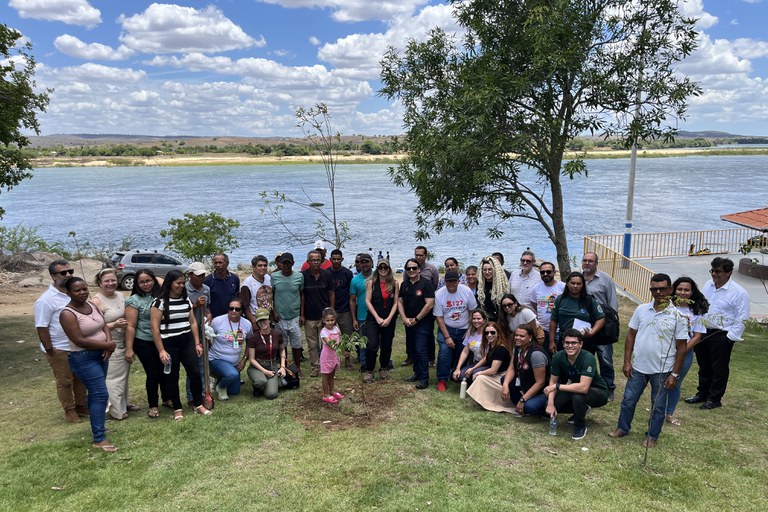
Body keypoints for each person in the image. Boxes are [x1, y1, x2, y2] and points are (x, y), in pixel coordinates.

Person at [608, 274, 688, 448]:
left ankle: (652, 436)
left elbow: (682, 347)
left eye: (662, 289)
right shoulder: (641, 310)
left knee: (658, 406)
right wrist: (627, 361)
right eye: (654, 289)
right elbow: (631, 335)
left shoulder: (678, 316)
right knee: (628, 400)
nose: (658, 292)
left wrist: (674, 373)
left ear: (670, 289)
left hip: (663, 370)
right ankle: (622, 428)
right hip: (638, 368)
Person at [59, 277, 117, 452]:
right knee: (100, 394)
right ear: (68, 293)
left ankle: (98, 426)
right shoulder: (67, 314)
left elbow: (104, 325)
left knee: (96, 394)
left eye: (84, 289)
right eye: (77, 290)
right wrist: (107, 345)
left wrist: (108, 343)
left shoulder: (91, 305)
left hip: (102, 354)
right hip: (83, 358)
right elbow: (79, 340)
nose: (82, 292)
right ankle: (99, 439)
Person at [686, 256, 750, 410]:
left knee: (719, 368)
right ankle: (702, 394)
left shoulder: (739, 293)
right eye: (712, 270)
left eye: (718, 271)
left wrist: (729, 338)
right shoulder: (708, 285)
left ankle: (714, 398)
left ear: (728, 273)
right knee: (704, 365)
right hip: (703, 331)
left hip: (721, 334)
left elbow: (742, 318)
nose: (714, 274)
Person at [151, 270, 211, 420]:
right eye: (178, 283)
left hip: (187, 341)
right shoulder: (159, 302)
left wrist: (197, 343)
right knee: (172, 376)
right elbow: (155, 328)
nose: (181, 286)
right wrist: (161, 351)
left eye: (183, 283)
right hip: (169, 343)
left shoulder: (186, 300)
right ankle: (177, 408)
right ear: (169, 283)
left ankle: (198, 404)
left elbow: (192, 323)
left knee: (195, 373)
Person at [35, 259, 88, 424]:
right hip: (59, 348)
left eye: (70, 271)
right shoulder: (46, 300)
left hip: (78, 346)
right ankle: (70, 411)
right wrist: (51, 350)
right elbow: (41, 327)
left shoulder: (74, 293)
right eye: (63, 273)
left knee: (80, 378)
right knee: (65, 381)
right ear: (53, 276)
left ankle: (81, 406)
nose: (68, 275)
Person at [544, 329, 609, 440]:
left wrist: (557, 386)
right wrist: (550, 403)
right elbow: (553, 381)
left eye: (574, 343)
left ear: (581, 344)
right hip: (574, 388)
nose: (570, 346)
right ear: (563, 343)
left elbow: (583, 388)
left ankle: (579, 426)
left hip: (598, 392)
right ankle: (581, 409)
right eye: (567, 343)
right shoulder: (558, 357)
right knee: (551, 404)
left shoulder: (588, 358)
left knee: (578, 396)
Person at [92, 268, 134, 421]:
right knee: (113, 378)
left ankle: (125, 403)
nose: (110, 283)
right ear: (99, 283)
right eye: (106, 281)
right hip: (110, 342)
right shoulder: (96, 301)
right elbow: (95, 327)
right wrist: (114, 324)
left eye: (113, 280)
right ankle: (117, 411)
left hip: (125, 341)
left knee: (124, 376)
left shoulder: (120, 295)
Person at [665, 277, 708, 425]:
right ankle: (658, 410)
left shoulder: (697, 311)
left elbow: (697, 336)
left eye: (686, 290)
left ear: (692, 292)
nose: (683, 292)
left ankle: (669, 413)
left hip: (685, 354)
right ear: (673, 290)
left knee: (675, 382)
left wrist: (682, 350)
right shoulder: (667, 307)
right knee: (661, 382)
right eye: (680, 289)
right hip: (664, 351)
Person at [125, 269, 167, 418]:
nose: (145, 284)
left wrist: (154, 278)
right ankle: (153, 405)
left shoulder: (161, 295)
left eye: (148, 280)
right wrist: (129, 348)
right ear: (136, 284)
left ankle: (166, 398)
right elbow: (130, 326)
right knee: (153, 373)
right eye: (141, 282)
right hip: (144, 341)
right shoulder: (134, 300)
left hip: (162, 340)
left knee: (165, 371)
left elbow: (165, 282)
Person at [582, 252, 620, 401]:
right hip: (584, 325)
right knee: (585, 358)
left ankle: (609, 387)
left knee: (605, 359)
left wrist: (610, 323)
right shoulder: (578, 279)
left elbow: (613, 304)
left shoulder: (605, 279)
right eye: (585, 260)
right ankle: (587, 384)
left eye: (590, 261)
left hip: (603, 325)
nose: (587, 263)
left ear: (596, 263)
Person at [434, 270, 477, 391]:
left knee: (461, 353)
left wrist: (469, 331)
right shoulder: (439, 294)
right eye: (448, 282)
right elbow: (439, 317)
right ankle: (442, 379)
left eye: (454, 281)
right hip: (447, 328)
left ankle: (458, 375)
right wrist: (447, 337)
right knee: (444, 352)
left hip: (464, 328)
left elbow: (472, 311)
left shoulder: (466, 291)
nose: (451, 284)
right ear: (445, 282)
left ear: (458, 281)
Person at [398, 258, 436, 390]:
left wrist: (417, 319)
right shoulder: (404, 284)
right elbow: (400, 302)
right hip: (408, 322)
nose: (412, 270)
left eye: (414, 268)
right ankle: (417, 373)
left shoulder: (426, 284)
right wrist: (404, 318)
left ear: (419, 269)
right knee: (412, 349)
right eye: (409, 269)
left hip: (422, 322)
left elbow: (429, 304)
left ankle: (424, 378)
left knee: (421, 349)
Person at [498, 325, 550, 416]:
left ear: (530, 337)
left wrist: (523, 399)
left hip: (542, 391)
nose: (518, 338)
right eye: (516, 335)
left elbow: (540, 382)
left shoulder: (536, 354)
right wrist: (505, 385)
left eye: (522, 336)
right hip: (526, 384)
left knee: (529, 407)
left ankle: (543, 410)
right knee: (504, 379)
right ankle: (520, 405)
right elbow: (511, 368)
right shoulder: (518, 348)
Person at [549, 271, 604, 354]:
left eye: (579, 284)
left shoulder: (590, 300)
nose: (575, 286)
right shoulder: (560, 299)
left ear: (583, 285)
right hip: (564, 341)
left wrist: (591, 333)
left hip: (584, 342)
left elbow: (601, 318)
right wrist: (551, 341)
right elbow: (553, 321)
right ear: (567, 283)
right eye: (573, 283)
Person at [208, 298, 252, 400]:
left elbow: (250, 342)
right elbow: (207, 336)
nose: (233, 311)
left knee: (234, 392)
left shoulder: (247, 324)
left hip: (234, 363)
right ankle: (221, 386)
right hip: (217, 359)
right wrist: (210, 347)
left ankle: (219, 378)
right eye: (231, 308)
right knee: (232, 374)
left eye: (237, 309)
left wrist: (244, 359)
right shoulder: (217, 321)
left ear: (241, 311)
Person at [364, 258, 399, 383]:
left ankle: (384, 367)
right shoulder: (371, 283)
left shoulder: (394, 283)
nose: (383, 270)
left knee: (386, 345)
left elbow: (396, 302)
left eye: (385, 267)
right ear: (377, 269)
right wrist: (377, 318)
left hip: (389, 318)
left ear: (389, 269)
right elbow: (368, 301)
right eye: (380, 268)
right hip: (373, 319)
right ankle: (369, 370)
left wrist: (389, 318)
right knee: (372, 345)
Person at [302, 249, 335, 377]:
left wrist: (331, 311)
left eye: (318, 259)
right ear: (308, 261)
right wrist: (302, 314)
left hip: (325, 316)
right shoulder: (303, 276)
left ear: (321, 261)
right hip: (309, 316)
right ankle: (315, 366)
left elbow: (331, 292)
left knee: (327, 343)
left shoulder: (326, 275)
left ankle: (327, 364)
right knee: (312, 344)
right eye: (313, 260)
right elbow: (302, 295)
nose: (315, 262)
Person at [271, 252, 305, 375]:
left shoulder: (299, 276)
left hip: (295, 315)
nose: (286, 266)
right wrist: (273, 312)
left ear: (292, 264)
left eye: (288, 263)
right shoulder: (274, 277)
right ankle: (284, 366)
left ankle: (298, 367)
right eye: (284, 263)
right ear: (280, 264)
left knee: (296, 344)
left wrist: (302, 314)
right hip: (280, 317)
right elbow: (272, 295)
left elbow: (302, 294)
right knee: (282, 344)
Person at [465, 322, 514, 406]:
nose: (489, 335)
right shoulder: (492, 345)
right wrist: (473, 368)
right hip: (498, 373)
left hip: (503, 376)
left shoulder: (500, 348)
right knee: (474, 374)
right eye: (486, 333)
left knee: (480, 378)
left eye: (492, 332)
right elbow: (485, 358)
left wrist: (479, 372)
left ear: (498, 333)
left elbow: (493, 370)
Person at [185, 262, 211, 409]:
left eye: (203, 275)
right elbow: (182, 311)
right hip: (188, 333)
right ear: (190, 275)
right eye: (198, 276)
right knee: (192, 366)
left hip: (202, 332)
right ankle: (190, 397)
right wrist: (194, 305)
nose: (201, 278)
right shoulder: (184, 290)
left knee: (202, 366)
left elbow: (208, 309)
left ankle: (202, 393)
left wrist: (209, 317)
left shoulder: (206, 289)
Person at [246, 308, 287, 399]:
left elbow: (282, 349)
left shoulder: (277, 333)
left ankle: (270, 384)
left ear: (269, 320)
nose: (262, 322)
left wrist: (282, 366)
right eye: (259, 321)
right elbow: (252, 359)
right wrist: (265, 371)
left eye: (264, 320)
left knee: (271, 395)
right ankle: (258, 386)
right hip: (257, 366)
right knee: (261, 381)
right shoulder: (254, 337)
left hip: (272, 365)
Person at [529, 262, 565, 350]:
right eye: (542, 272)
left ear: (554, 272)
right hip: (543, 330)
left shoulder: (562, 287)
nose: (545, 274)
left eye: (548, 272)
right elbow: (534, 303)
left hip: (559, 330)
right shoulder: (536, 288)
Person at [329, 249, 355, 367]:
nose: (336, 261)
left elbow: (351, 292)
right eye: (333, 259)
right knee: (330, 337)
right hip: (330, 310)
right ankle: (331, 359)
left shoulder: (347, 273)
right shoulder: (326, 273)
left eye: (338, 259)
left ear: (342, 259)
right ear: (330, 260)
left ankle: (347, 360)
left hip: (344, 310)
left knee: (347, 337)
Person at [414, 246, 439, 367]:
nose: (418, 257)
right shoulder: (411, 268)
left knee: (428, 333)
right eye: (416, 255)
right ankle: (411, 356)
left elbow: (434, 285)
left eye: (421, 255)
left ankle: (431, 358)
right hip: (413, 306)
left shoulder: (432, 269)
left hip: (428, 306)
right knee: (411, 333)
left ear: (425, 256)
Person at [349, 252, 373, 369]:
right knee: (363, 342)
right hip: (362, 315)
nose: (364, 264)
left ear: (371, 263)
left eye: (367, 262)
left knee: (376, 342)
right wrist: (354, 319)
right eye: (361, 262)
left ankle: (380, 363)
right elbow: (352, 300)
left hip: (376, 315)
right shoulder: (355, 280)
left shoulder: (378, 276)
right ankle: (364, 364)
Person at [452, 309, 488, 382]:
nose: (476, 321)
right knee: (460, 375)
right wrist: (457, 368)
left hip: (487, 363)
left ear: (484, 320)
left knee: (474, 373)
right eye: (474, 319)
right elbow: (465, 351)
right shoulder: (470, 332)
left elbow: (486, 356)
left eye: (478, 318)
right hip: (477, 362)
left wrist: (473, 368)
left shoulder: (489, 333)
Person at [319, 308, 344, 404]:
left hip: (334, 356)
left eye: (332, 320)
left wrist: (342, 346)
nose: (330, 322)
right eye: (328, 320)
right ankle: (326, 394)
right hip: (327, 357)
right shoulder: (323, 332)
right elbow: (331, 344)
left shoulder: (336, 328)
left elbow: (340, 338)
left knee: (332, 374)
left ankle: (332, 391)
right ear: (323, 320)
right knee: (326, 375)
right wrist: (340, 348)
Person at [204, 253, 240, 318]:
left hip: (232, 316)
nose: (218, 265)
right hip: (215, 317)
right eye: (216, 263)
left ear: (227, 263)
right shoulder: (207, 280)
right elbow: (206, 302)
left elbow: (237, 296)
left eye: (220, 262)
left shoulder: (234, 278)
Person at [241, 255, 272, 326]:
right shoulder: (247, 284)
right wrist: (253, 321)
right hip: (256, 318)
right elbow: (245, 306)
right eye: (260, 266)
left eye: (265, 265)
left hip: (268, 317)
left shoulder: (268, 278)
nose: (263, 268)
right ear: (254, 267)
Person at [477, 255, 509, 322]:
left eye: (490, 269)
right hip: (485, 319)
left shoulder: (502, 284)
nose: (487, 272)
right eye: (485, 270)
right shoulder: (480, 284)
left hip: (501, 319)